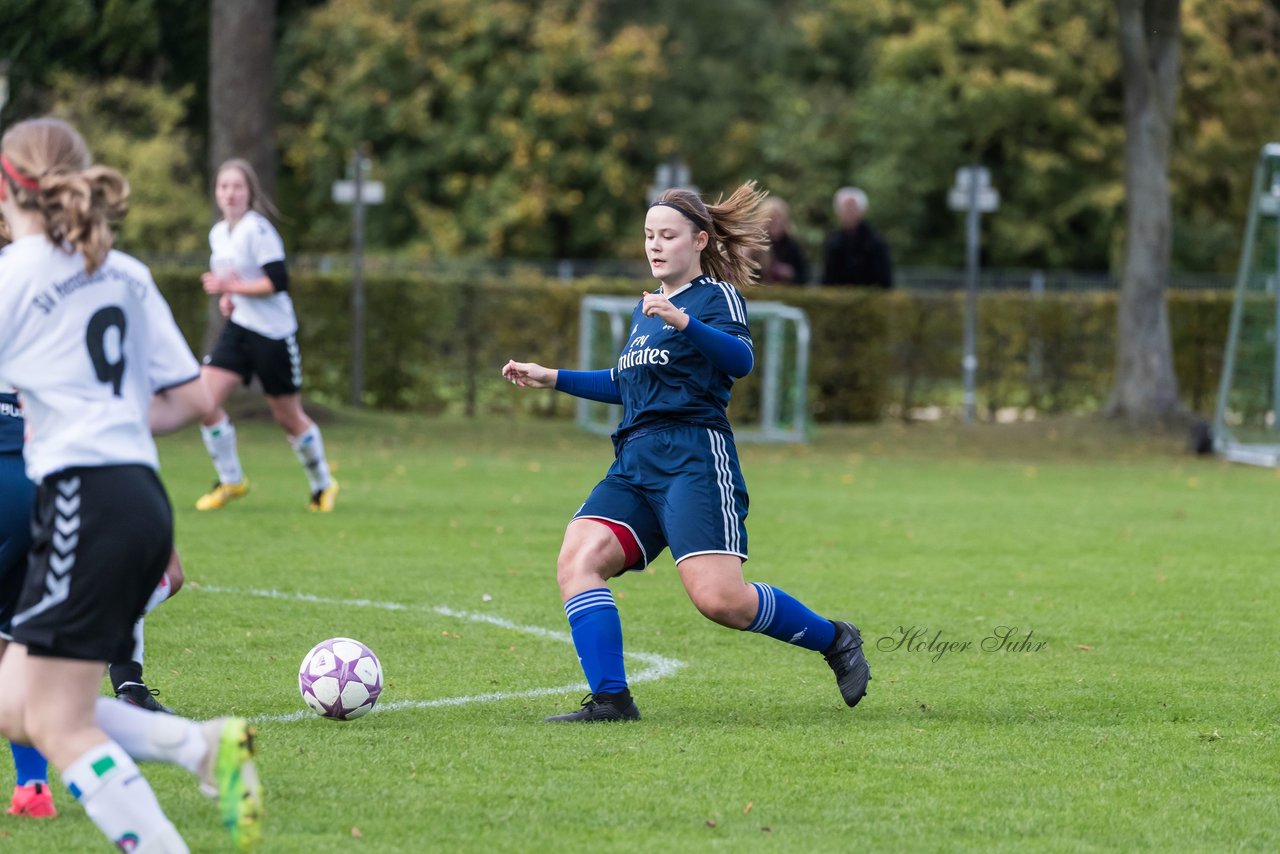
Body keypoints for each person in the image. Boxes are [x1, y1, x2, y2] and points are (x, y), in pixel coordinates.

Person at [502, 181, 871, 722]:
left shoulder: (713, 297)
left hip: (693, 457)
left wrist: (682, 322)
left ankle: (834, 638)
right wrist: (551, 376)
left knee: (721, 602)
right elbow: (627, 382)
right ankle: (611, 700)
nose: (655, 245)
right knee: (578, 559)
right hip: (634, 460)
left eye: (668, 235)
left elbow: (740, 360)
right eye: (649, 235)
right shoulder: (645, 308)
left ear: (699, 240)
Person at [0, 116, 263, 851]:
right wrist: (108, 416)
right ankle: (200, 749)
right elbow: (194, 400)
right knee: (18, 701)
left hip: (83, 500)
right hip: (140, 499)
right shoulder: (127, 271)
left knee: (55, 722)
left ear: (4, 186)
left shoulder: (13, 275)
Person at [0, 385, 181, 821]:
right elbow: (192, 401)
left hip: (53, 482)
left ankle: (196, 746)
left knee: (34, 698)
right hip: (78, 486)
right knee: (25, 691)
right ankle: (33, 788)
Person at [195, 158, 337, 512]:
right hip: (240, 328)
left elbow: (278, 282)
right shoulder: (218, 234)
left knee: (287, 416)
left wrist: (231, 286)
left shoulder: (258, 231)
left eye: (237, 187)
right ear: (216, 192)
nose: (230, 193)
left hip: (273, 333)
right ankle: (231, 480)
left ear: (249, 193)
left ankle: (323, 485)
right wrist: (230, 298)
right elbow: (237, 284)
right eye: (224, 186)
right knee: (202, 401)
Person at [821, 186, 894, 288]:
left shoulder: (876, 241)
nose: (849, 212)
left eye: (853, 208)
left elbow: (885, 279)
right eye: (845, 208)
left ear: (863, 211)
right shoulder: (833, 241)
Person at [761, 197, 809, 285]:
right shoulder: (757, 245)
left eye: (780, 218)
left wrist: (791, 273)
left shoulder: (793, 245)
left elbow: (805, 276)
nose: (777, 222)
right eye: (773, 219)